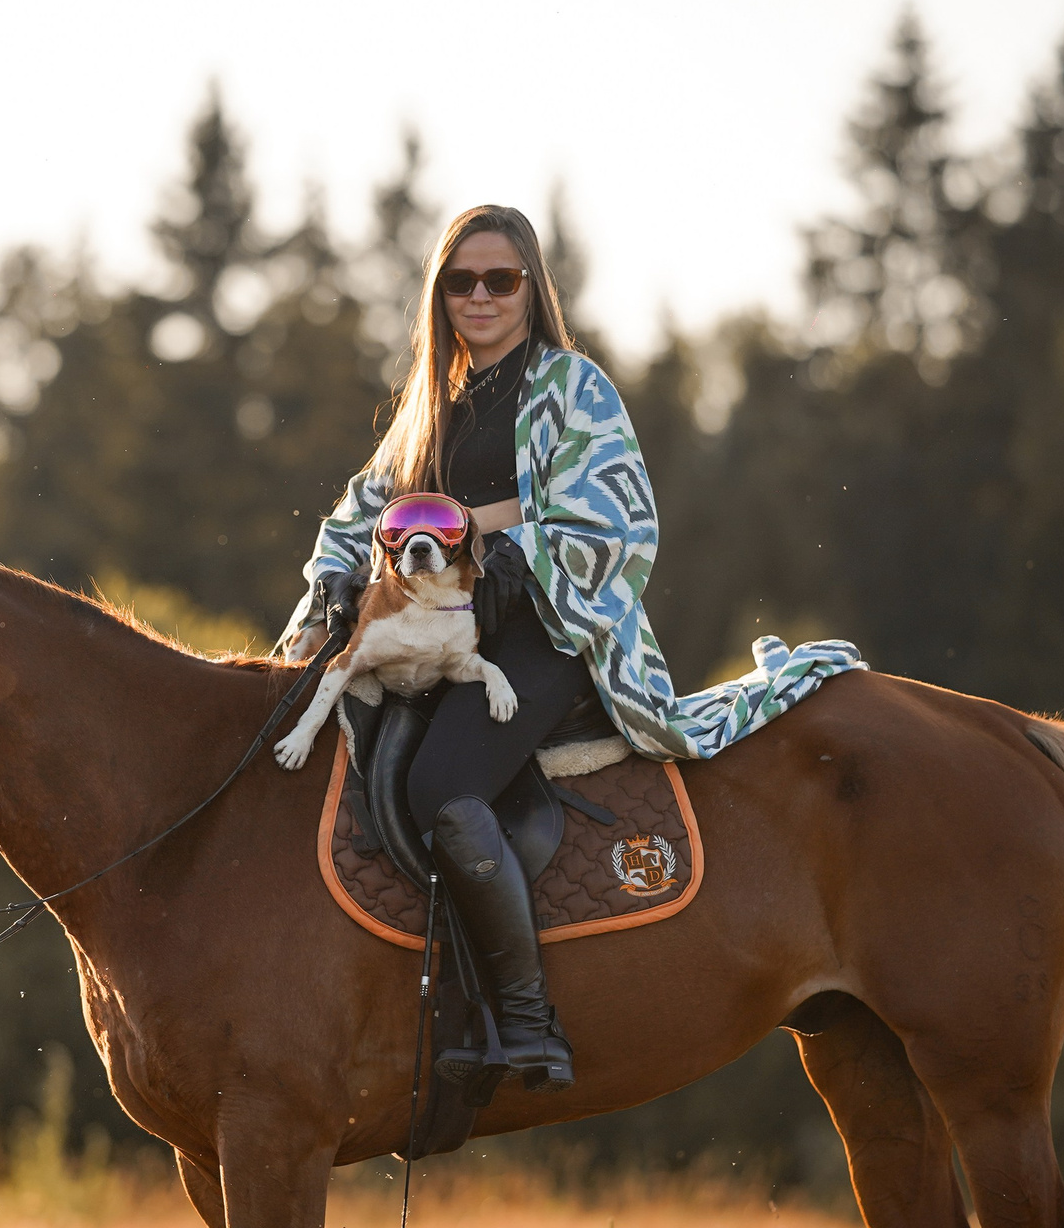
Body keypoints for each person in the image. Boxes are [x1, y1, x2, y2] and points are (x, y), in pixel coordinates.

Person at [279, 204, 864, 1092]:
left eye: (500, 280)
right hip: (428, 635)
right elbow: (362, 515)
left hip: (546, 633)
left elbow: (622, 521)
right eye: (460, 281)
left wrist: (519, 548)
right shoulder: (422, 411)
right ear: (439, 294)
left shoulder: (572, 387)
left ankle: (526, 1019)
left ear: (530, 289)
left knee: (442, 784)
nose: (480, 296)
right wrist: (329, 582)